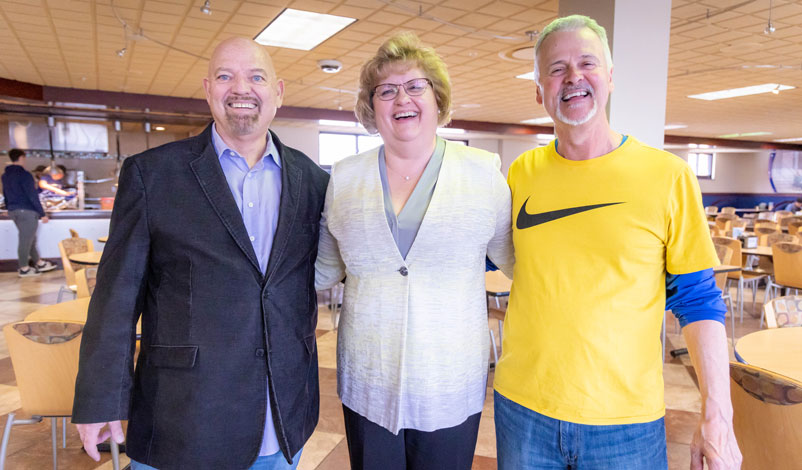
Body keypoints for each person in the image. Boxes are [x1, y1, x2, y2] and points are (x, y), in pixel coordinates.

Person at [493, 15, 742, 470]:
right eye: (556, 68)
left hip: (625, 423)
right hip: (522, 408)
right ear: (538, 90)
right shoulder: (521, 173)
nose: (573, 77)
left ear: (609, 77)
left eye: (587, 63)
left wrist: (717, 415)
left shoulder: (668, 177)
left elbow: (698, 300)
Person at [72, 37, 329, 470]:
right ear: (208, 89)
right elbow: (117, 295)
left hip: (283, 416)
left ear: (279, 92)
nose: (241, 88)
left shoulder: (313, 181)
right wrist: (101, 395)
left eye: (257, 77)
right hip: (183, 418)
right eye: (226, 76)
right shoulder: (153, 175)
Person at [315, 32, 514, 470]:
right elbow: (323, 269)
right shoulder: (345, 179)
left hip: (450, 380)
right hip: (369, 379)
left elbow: (516, 262)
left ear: (436, 97)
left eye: (414, 86)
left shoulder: (482, 174)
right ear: (372, 106)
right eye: (386, 90)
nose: (401, 98)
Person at [2, 148, 57, 277]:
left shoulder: (5, 175)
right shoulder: (25, 174)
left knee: (29, 238)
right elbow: (32, 195)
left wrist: (8, 208)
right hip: (27, 211)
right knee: (25, 240)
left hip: (14, 211)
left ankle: (39, 263)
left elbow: (6, 193)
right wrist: (42, 213)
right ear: (21, 158)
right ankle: (24, 268)